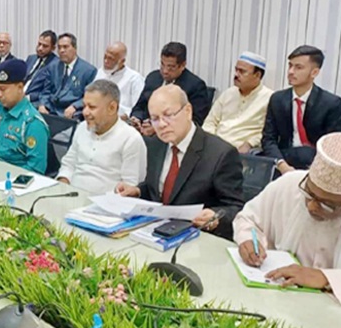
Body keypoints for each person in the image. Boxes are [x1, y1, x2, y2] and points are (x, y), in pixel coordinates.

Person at [234, 132, 341, 305]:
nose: (312, 206)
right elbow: (247, 219)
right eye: (309, 193)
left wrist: (326, 278)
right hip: (274, 299)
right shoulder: (290, 183)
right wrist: (248, 239)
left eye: (327, 204)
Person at [116, 85, 244, 240]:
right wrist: (137, 191)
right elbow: (159, 190)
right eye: (155, 119)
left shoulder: (220, 153)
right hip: (154, 232)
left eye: (168, 115)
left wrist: (215, 217)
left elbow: (236, 208)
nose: (161, 124)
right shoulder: (155, 144)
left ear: (188, 111)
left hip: (195, 237)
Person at [261, 45, 341, 174]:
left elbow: (333, 146)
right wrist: (282, 166)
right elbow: (268, 139)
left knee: (306, 153)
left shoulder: (331, 103)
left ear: (314, 73)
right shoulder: (277, 99)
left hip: (315, 163)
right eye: (290, 66)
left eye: (298, 67)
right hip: (283, 160)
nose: (291, 72)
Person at [58, 80, 146, 194]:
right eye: (84, 106)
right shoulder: (82, 128)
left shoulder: (131, 139)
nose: (85, 112)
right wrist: (62, 185)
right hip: (70, 195)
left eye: (92, 107)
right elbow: (68, 164)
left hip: (107, 202)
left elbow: (130, 186)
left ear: (112, 108)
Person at [0, 59, 49, 174]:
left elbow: (35, 169)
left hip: (14, 179)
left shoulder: (32, 123)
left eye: (3, 89)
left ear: (20, 87)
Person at [130, 42, 210, 134]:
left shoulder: (195, 86)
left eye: (171, 67)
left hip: (170, 134)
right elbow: (140, 106)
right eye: (162, 64)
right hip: (144, 129)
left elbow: (194, 121)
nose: (165, 71)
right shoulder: (153, 78)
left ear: (182, 65)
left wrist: (158, 127)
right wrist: (136, 119)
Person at [203, 52, 274, 153]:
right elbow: (210, 122)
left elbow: (269, 133)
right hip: (215, 147)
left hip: (240, 152)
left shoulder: (269, 98)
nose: (236, 75)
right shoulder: (228, 93)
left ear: (257, 75)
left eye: (242, 71)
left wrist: (250, 143)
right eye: (236, 70)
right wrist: (211, 142)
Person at [37, 33, 98, 118]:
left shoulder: (88, 70)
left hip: (72, 112)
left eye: (65, 47)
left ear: (75, 48)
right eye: (59, 47)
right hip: (51, 109)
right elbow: (46, 91)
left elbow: (89, 96)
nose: (61, 51)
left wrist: (75, 106)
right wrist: (42, 105)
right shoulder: (53, 67)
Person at [96, 42, 145, 118]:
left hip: (121, 119)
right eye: (105, 57)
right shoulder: (100, 73)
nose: (106, 61)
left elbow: (139, 108)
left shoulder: (134, 79)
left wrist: (125, 116)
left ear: (122, 61)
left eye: (111, 59)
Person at [23, 30, 59, 102]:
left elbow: (49, 91)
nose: (40, 48)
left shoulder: (56, 64)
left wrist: (28, 97)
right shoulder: (31, 58)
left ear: (53, 48)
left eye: (45, 46)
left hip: (33, 101)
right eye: (39, 44)